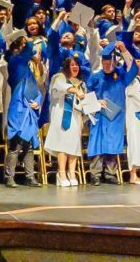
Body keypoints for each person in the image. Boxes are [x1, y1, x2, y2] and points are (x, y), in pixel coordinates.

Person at [86, 41, 138, 185]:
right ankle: (95, 174)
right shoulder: (95, 77)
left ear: (115, 62)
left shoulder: (121, 75)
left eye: (109, 62)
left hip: (115, 116)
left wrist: (123, 49)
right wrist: (96, 102)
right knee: (97, 143)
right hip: (98, 115)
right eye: (104, 62)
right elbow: (86, 95)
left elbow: (133, 69)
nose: (106, 65)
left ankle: (110, 173)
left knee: (113, 143)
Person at [3, 35, 43, 188]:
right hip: (19, 109)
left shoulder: (27, 69)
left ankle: (30, 177)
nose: (23, 48)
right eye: (21, 46)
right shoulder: (14, 62)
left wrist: (37, 103)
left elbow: (35, 90)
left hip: (29, 110)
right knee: (16, 144)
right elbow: (29, 50)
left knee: (29, 145)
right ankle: (9, 177)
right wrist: (29, 40)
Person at [44, 57, 86, 186]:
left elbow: (84, 101)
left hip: (76, 117)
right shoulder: (59, 77)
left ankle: (71, 173)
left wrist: (96, 103)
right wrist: (73, 89)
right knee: (62, 145)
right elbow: (58, 89)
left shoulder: (81, 84)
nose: (75, 67)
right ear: (66, 67)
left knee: (73, 145)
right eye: (72, 65)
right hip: (61, 115)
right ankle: (61, 173)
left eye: (76, 65)